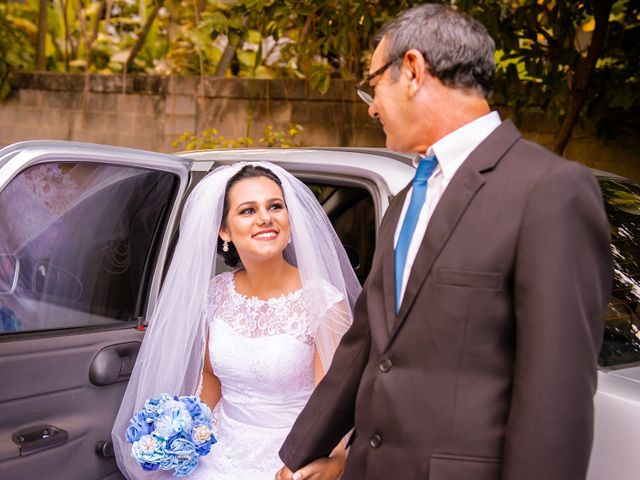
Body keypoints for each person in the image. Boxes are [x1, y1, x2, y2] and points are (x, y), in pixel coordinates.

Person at [277, 4, 612, 480]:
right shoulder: (405, 200)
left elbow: (556, 394)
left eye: (373, 85)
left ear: (412, 71)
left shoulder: (549, 191)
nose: (371, 107)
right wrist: (297, 456)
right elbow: (367, 344)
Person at [112, 162, 361, 479]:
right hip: (217, 451)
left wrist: (336, 460)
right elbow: (210, 377)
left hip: (289, 456)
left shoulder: (323, 303)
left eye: (275, 206)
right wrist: (183, 431)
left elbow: (336, 401)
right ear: (224, 230)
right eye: (247, 210)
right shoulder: (215, 294)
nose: (265, 217)